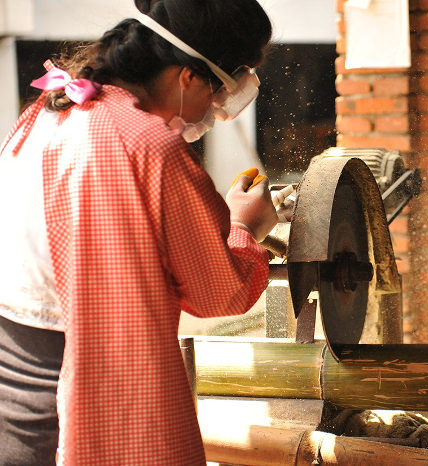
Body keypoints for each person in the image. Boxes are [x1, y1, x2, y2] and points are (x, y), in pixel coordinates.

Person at [0, 0, 277, 464]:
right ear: (187, 75)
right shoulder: (148, 144)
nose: (215, 108)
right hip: (88, 377)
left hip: (10, 377)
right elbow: (218, 295)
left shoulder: (49, 109)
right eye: (221, 90)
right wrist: (244, 226)